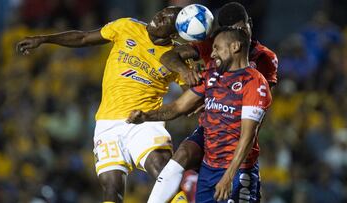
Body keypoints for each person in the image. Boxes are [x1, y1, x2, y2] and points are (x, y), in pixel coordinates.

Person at [16, 6, 188, 203]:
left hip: (144, 121)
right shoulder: (127, 26)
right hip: (108, 124)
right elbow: (83, 38)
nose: (160, 16)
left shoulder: (176, 55)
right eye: (163, 11)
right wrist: (44, 39)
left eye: (168, 18)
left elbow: (190, 95)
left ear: (174, 33)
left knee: (162, 169)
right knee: (111, 187)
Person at [144, 2, 278, 202]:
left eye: (243, 28)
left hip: (236, 132)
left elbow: (257, 103)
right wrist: (186, 72)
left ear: (249, 24)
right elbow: (169, 56)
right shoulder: (213, 46)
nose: (241, 35)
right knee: (183, 153)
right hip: (211, 127)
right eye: (233, 31)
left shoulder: (265, 59)